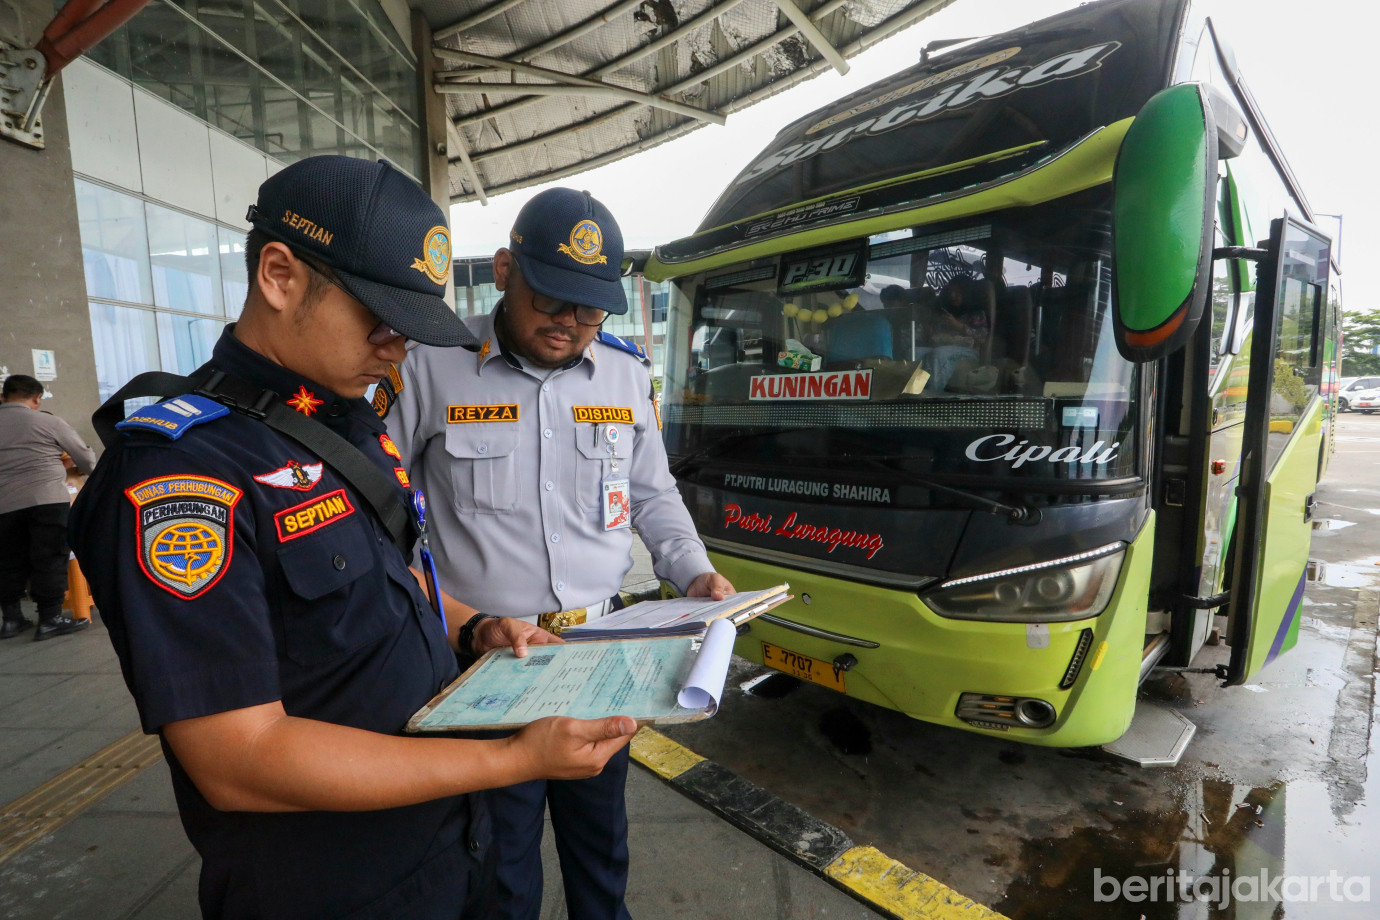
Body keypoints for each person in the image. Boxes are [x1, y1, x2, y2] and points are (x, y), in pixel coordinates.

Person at [68, 157, 637, 920]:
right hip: (337, 886)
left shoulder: (346, 425)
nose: (397, 347)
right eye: (379, 318)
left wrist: (475, 626)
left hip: (446, 853)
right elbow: (239, 761)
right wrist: (509, 760)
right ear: (280, 274)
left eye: (410, 326)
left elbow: (392, 584)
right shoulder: (181, 473)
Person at [385, 187, 735, 920]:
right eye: (553, 301)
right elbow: (378, 506)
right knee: (499, 853)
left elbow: (652, 495)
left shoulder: (624, 374)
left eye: (590, 309)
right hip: (486, 655)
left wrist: (693, 569)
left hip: (599, 649)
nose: (571, 324)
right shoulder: (429, 366)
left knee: (600, 837)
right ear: (508, 270)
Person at [0, 374, 97, 640]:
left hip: (4, 504)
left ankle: (10, 620)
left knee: (8, 560)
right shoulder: (47, 421)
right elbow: (85, 456)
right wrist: (88, 473)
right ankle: (49, 619)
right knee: (50, 557)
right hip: (47, 500)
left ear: (3, 397)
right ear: (36, 398)